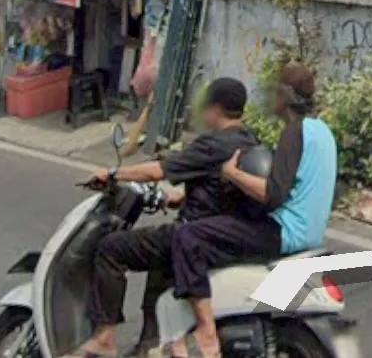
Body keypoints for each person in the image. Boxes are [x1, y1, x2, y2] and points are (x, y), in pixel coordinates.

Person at [71, 77, 260, 358]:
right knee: (158, 260)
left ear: (215, 108)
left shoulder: (213, 144)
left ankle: (104, 338)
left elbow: (158, 170)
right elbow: (219, 186)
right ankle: (151, 342)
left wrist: (112, 173)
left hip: (195, 234)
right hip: (223, 234)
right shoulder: (249, 140)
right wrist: (180, 197)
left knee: (111, 248)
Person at [166, 62, 337, 358]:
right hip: (310, 233)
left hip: (283, 232)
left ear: (284, 97)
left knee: (188, 236)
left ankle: (206, 332)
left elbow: (273, 194)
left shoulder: (294, 132)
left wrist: (232, 174)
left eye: (274, 92)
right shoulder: (322, 131)